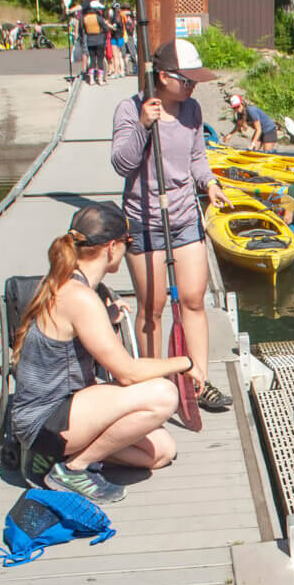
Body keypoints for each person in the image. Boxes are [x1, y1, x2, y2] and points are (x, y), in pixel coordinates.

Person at [10, 202, 198, 504]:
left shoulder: (71, 283)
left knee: (161, 451)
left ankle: (56, 462)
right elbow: (127, 373)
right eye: (127, 244)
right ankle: (73, 468)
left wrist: (106, 316)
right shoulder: (80, 297)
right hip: (45, 421)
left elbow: (73, 329)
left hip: (65, 411)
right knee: (163, 395)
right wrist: (187, 363)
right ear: (112, 248)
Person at [111, 38, 234, 413]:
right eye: (187, 79)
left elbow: (198, 158)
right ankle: (157, 384)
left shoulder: (193, 110)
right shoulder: (130, 109)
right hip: (145, 221)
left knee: (194, 300)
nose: (193, 86)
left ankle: (199, 378)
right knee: (154, 306)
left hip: (183, 219)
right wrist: (145, 126)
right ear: (163, 77)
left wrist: (209, 184)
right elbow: (121, 164)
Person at [81, 2, 114, 85]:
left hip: (89, 40)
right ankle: (100, 80)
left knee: (92, 59)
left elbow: (84, 29)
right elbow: (105, 28)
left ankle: (91, 80)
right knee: (100, 59)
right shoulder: (98, 18)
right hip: (99, 39)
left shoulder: (85, 18)